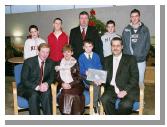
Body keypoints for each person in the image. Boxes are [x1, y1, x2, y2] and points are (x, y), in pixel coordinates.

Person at [101, 37, 139, 115]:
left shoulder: (131, 59)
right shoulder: (106, 60)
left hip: (127, 88)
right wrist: (99, 80)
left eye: (118, 45)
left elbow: (135, 77)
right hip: (112, 88)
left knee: (125, 105)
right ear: (111, 47)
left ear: (122, 47)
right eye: (113, 46)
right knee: (104, 99)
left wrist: (125, 90)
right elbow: (104, 76)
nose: (115, 48)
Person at [18, 43, 55, 115]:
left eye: (47, 52)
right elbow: (24, 80)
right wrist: (37, 87)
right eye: (43, 52)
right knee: (34, 95)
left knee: (47, 93)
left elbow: (52, 77)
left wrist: (46, 84)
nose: (45, 54)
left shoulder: (50, 62)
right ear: (38, 51)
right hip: (27, 87)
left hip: (42, 87)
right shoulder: (28, 62)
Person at [122, 9, 150, 86]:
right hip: (129, 61)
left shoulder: (145, 29)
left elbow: (147, 44)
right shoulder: (126, 29)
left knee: (140, 82)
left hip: (140, 60)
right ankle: (130, 97)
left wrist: (143, 55)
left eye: (136, 16)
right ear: (130, 18)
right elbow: (123, 44)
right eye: (132, 16)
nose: (134, 18)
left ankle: (140, 98)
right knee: (129, 81)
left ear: (139, 17)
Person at [55, 44, 85, 115]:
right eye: (64, 52)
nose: (66, 54)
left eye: (68, 52)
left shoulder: (75, 63)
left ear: (72, 53)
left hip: (76, 85)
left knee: (67, 93)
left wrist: (70, 84)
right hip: (64, 85)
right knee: (67, 92)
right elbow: (57, 77)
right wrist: (62, 83)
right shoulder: (59, 63)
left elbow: (79, 77)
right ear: (62, 53)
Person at [78, 40, 102, 114]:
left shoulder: (96, 55)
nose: (88, 48)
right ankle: (95, 105)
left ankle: (99, 100)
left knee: (99, 82)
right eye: (86, 47)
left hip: (96, 75)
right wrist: (90, 75)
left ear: (92, 47)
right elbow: (82, 70)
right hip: (85, 76)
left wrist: (98, 76)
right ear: (83, 47)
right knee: (96, 84)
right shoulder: (81, 57)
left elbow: (99, 66)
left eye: (90, 46)